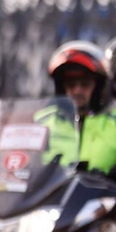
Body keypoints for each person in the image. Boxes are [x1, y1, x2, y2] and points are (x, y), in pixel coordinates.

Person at [39, 42, 116, 174]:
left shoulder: (113, 123)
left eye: (85, 84)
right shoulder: (43, 123)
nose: (77, 90)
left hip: (103, 187)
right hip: (54, 188)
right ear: (61, 88)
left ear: (99, 87)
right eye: (71, 84)